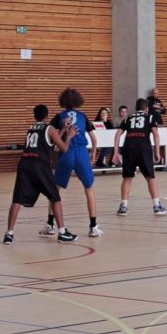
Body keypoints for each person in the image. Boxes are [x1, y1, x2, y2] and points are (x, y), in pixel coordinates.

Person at [4, 105, 78, 245]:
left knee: (17, 200)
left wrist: (62, 129)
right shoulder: (49, 128)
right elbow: (63, 148)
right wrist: (68, 136)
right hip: (39, 166)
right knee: (55, 198)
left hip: (24, 164)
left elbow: (49, 142)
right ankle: (62, 232)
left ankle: (9, 234)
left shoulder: (31, 128)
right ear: (47, 116)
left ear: (34, 115)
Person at [52, 87, 103, 237]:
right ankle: (93, 227)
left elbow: (54, 137)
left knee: (55, 190)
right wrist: (93, 152)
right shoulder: (82, 116)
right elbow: (94, 138)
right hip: (81, 153)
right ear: (78, 100)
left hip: (65, 151)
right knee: (89, 189)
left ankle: (50, 224)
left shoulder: (59, 116)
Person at [112, 98, 167, 216]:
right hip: (143, 148)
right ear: (146, 108)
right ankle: (157, 206)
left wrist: (116, 152)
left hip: (128, 148)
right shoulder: (150, 117)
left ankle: (123, 207)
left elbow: (118, 134)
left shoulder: (128, 118)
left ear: (136, 108)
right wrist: (157, 151)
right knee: (150, 177)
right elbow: (156, 134)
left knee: (127, 178)